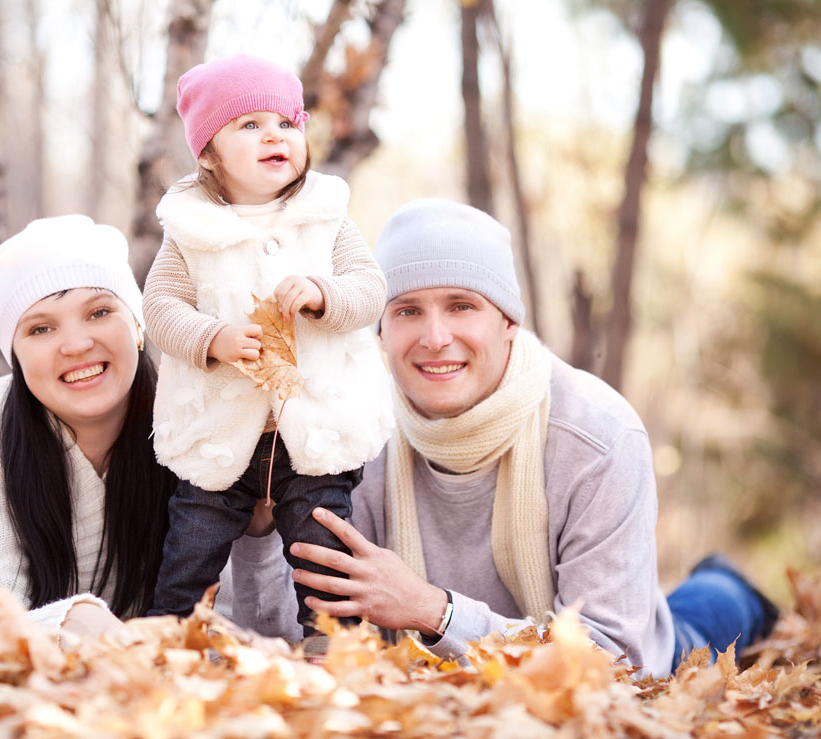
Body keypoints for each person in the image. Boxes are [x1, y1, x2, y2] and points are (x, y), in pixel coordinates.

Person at [288, 198, 778, 677]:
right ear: (380, 330)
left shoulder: (598, 435)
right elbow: (294, 635)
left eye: (461, 306)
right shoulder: (351, 435)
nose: (434, 337)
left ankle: (729, 585)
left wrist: (435, 612)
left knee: (706, 616)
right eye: (407, 311)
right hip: (474, 663)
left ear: (509, 323)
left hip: (635, 654)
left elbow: (616, 663)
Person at [0, 215, 299, 645]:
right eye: (41, 328)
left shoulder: (198, 418)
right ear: (16, 356)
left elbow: (259, 638)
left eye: (99, 312)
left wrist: (257, 539)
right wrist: (77, 621)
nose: (76, 344)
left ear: (138, 325)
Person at [142, 54, 393, 633]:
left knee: (322, 543)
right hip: (221, 431)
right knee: (192, 546)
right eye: (250, 125)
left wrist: (325, 295)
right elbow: (160, 309)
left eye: (287, 123)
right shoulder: (190, 230)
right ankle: (172, 637)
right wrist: (212, 337)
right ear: (208, 152)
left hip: (314, 424)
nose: (275, 135)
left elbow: (369, 289)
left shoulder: (324, 217)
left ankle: (334, 643)